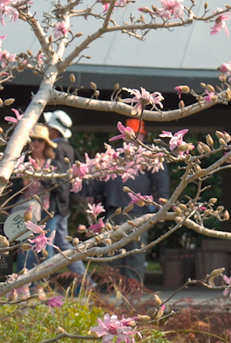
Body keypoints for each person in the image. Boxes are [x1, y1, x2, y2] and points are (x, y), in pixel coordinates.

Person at [88, 118, 170, 284]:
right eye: (129, 135)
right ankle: (113, 286)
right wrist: (92, 194)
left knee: (135, 253)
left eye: (135, 135)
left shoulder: (150, 155)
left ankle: (133, 288)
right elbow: (101, 177)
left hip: (139, 212)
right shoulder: (114, 154)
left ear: (142, 136)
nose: (132, 139)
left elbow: (161, 182)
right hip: (113, 209)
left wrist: (162, 204)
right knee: (113, 250)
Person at [41, 109, 93, 289]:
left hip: (55, 206)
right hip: (63, 205)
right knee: (62, 245)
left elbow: (60, 182)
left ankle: (40, 284)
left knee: (48, 246)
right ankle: (86, 283)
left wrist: (41, 176)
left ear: (54, 130)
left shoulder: (56, 149)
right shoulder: (70, 149)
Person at [8, 123, 61, 299]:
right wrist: (21, 183)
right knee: (25, 249)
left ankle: (39, 286)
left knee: (47, 250)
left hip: (47, 213)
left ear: (46, 144)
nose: (37, 143)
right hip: (25, 212)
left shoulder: (53, 164)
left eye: (40, 140)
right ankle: (22, 285)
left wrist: (43, 177)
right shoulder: (21, 163)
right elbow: (10, 189)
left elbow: (61, 189)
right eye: (33, 140)